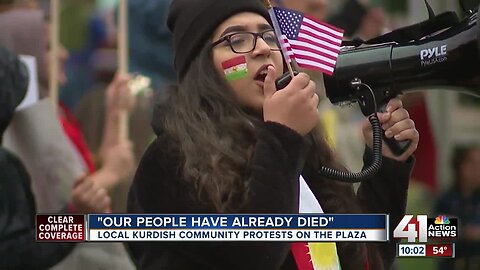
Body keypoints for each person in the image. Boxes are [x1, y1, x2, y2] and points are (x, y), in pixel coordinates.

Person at [126, 0, 419, 269]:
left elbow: (364, 258)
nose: (262, 49)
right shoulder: (169, 161)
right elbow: (256, 255)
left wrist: (388, 169)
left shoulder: (298, 149)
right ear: (203, 67)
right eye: (236, 40)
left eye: (269, 36)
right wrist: (282, 136)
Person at [0, 46, 111, 270]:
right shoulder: (5, 168)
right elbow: (13, 253)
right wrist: (76, 218)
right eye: (47, 46)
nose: (63, 53)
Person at [435, 145, 480, 270]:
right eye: (472, 164)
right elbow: (437, 229)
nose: (477, 169)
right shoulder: (447, 200)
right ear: (460, 167)